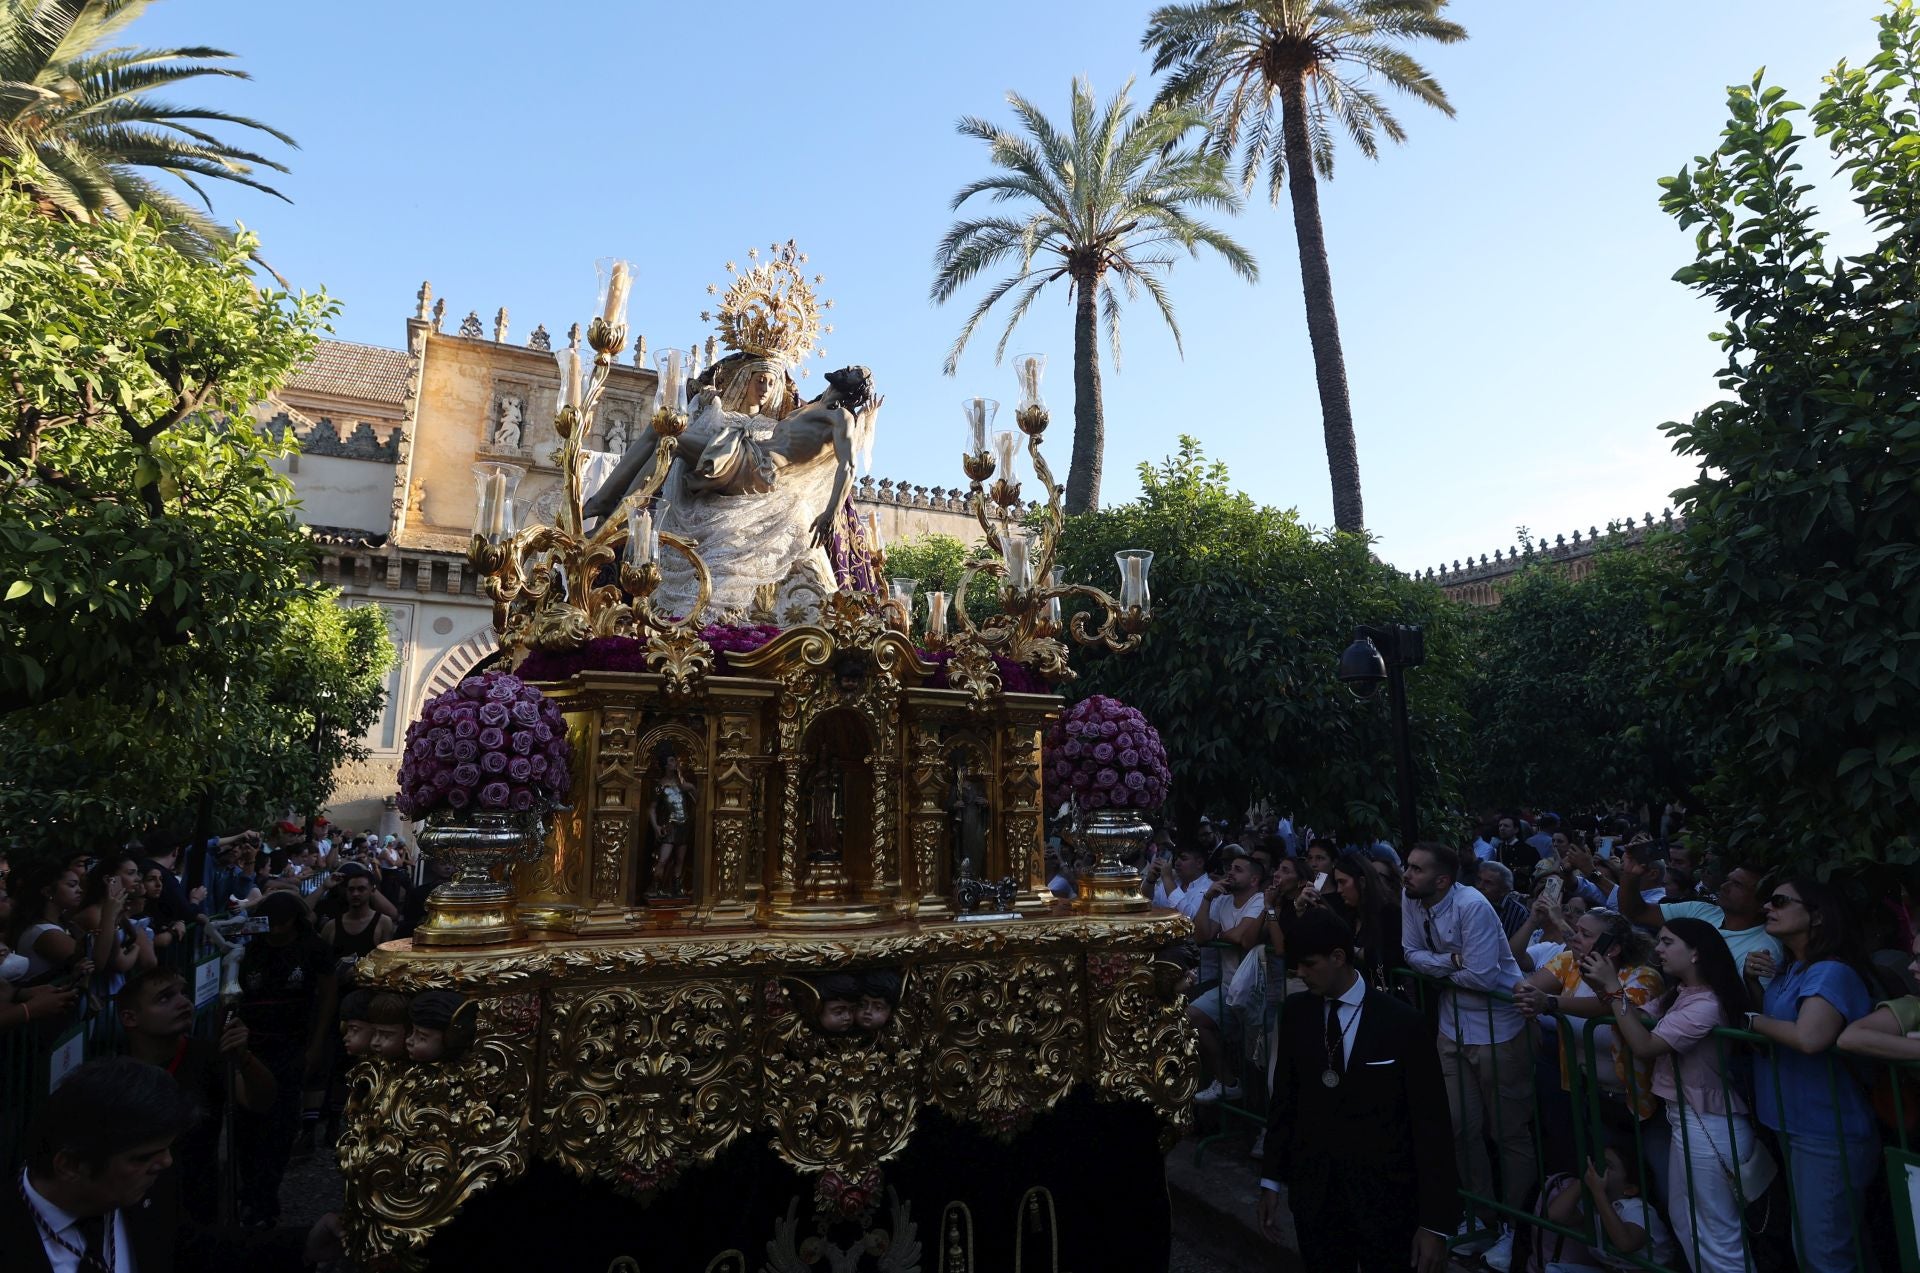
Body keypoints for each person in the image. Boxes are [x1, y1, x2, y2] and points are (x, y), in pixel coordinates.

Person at [1, 1055, 336, 1272]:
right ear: (71, 1165)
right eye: (142, 1157)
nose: (165, 1162)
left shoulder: (148, 1194)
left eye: (166, 1148)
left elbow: (193, 1250)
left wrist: (305, 1242)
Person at [1258, 909, 1456, 1273]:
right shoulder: (1297, 1013)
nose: (1300, 974)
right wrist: (1270, 1178)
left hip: (1386, 1199)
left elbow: (1431, 1124)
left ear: (1338, 957)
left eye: (1308, 964)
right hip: (1316, 1196)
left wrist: (1434, 1224)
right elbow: (1285, 1099)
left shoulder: (1401, 1022)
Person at [1590, 918, 1766, 1273]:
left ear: (1697, 952)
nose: (1658, 949)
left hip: (1709, 1124)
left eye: (1668, 942)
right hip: (1689, 1119)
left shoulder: (1707, 1004)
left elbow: (1644, 1044)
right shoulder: (1682, 993)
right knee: (1688, 1222)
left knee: (1716, 1234)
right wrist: (1604, 987)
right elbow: (1636, 1017)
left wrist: (1612, 990)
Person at [1401, 841, 1535, 1270]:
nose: (1406, 875)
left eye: (1416, 869)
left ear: (1442, 880)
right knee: (1459, 1127)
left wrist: (1439, 962)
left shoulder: (1472, 905)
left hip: (1498, 1031)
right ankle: (1481, 1215)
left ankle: (1517, 1228)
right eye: (1407, 867)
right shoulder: (1412, 898)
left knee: (1508, 1133)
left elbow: (1481, 976)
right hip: (1450, 1027)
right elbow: (1408, 953)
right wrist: (1450, 960)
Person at [1745, 877, 1878, 1272]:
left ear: (1817, 916)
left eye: (1781, 901)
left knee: (1823, 1253)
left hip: (1827, 1131)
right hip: (1796, 1126)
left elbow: (1808, 1037)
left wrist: (1751, 1021)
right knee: (1833, 1243)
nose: (1769, 907)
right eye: (1769, 901)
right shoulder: (1791, 970)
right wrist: (1752, 984)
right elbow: (1775, 1024)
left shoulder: (1831, 972)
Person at [117, 966, 277, 1225]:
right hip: (135, 1203)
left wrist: (244, 1058)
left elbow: (259, 1100)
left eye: (184, 993)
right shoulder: (116, 1069)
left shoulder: (208, 1056)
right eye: (165, 998)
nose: (183, 1002)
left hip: (198, 1200)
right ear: (130, 1017)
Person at [234, 892, 336, 1228]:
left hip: (292, 1045)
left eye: (281, 923)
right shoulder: (254, 949)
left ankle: (267, 1197)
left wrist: (316, 1045)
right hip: (253, 1045)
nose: (275, 930)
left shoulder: (313, 949)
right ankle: (248, 1193)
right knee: (246, 1124)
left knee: (279, 1126)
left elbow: (327, 997)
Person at [1513, 909, 1665, 1128]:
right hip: (1585, 1090)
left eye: (1585, 935)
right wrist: (1529, 995)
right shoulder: (1570, 962)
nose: (1574, 938)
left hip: (1632, 1098)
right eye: (1576, 931)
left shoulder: (1643, 977)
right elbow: (1525, 987)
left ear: (1611, 948)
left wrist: (1550, 1002)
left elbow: (1614, 1006)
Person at [1614, 854, 1779, 982]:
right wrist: (1630, 874)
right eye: (1728, 880)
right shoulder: (1701, 910)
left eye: (1737, 885)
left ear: (1763, 902)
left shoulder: (1765, 949)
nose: (1724, 886)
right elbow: (1635, 912)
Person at [1189, 847, 1268, 1103]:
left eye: (1238, 869)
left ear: (1254, 879)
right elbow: (1201, 937)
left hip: (1255, 991)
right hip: (1228, 987)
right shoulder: (1221, 900)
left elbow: (1242, 937)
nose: (1230, 873)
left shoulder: (1259, 900)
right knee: (1192, 1018)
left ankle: (1259, 1119)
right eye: (1229, 868)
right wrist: (1207, 899)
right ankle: (1227, 1082)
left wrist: (1221, 935)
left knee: (1256, 1056)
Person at [1538, 1144, 1675, 1272]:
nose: (1599, 1169)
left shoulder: (1637, 1208)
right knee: (1555, 1270)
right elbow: (1556, 1216)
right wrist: (1585, 1180)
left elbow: (1625, 1244)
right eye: (1598, 1163)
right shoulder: (1596, 1203)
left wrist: (1598, 1193)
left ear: (1630, 1189)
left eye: (1607, 1166)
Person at [1839, 929, 1920, 1060]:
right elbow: (1850, 1038)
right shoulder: (1913, 1006)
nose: (1911, 967)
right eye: (1914, 958)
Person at [1477, 860, 1532, 939]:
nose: (1480, 886)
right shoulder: (1471, 903)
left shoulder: (1519, 913)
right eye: (1479, 880)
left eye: (1488, 883)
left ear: (1504, 890)